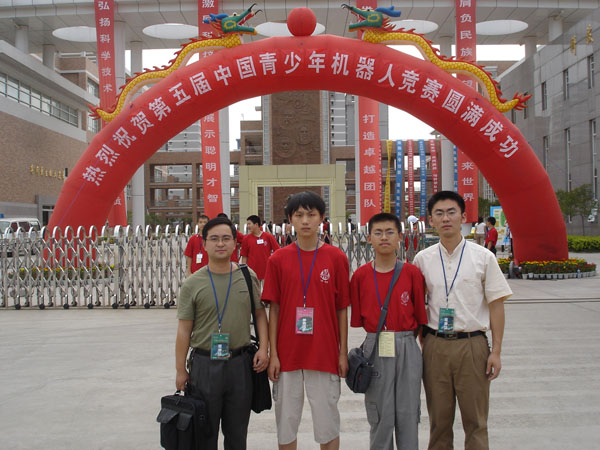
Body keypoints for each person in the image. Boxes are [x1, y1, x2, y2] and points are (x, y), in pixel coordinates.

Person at [413, 191, 512, 450]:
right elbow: (416, 306)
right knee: (439, 423)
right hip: (435, 346)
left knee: (476, 422)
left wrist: (496, 351)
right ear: (431, 220)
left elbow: (496, 305)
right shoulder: (422, 259)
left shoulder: (483, 257)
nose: (446, 218)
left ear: (463, 217)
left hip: (472, 345)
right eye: (439, 213)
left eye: (451, 212)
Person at [262, 191, 350, 450]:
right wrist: (273, 354)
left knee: (327, 425)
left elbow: (341, 309)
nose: (305, 221)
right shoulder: (277, 259)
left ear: (322, 218)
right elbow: (274, 309)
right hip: (287, 356)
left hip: (324, 354)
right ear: (290, 219)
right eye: (298, 215)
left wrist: (342, 353)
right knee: (286, 426)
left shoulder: (336, 258)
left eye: (311, 214)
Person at [175, 217, 269, 450]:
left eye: (226, 238)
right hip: (204, 365)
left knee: (237, 433)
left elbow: (260, 315)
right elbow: (184, 329)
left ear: (235, 244)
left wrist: (264, 349)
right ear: (204, 244)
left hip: (240, 364)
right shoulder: (192, 284)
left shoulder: (247, 276)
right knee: (204, 433)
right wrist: (180, 370)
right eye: (214, 239)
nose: (220, 244)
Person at [350, 212, 428, 450]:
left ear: (400, 237)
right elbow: (359, 318)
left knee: (408, 412)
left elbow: (420, 318)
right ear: (369, 238)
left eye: (390, 232)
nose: (384, 237)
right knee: (380, 414)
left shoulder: (412, 273)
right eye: (378, 233)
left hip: (407, 344)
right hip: (376, 345)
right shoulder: (360, 276)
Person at [241, 215, 280, 283]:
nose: (248, 226)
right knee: (254, 290)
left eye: (249, 224)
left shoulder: (268, 236)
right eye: (247, 224)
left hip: (267, 271)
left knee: (267, 289)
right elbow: (244, 256)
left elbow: (277, 251)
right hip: (252, 273)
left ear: (256, 224)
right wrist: (244, 270)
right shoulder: (246, 239)